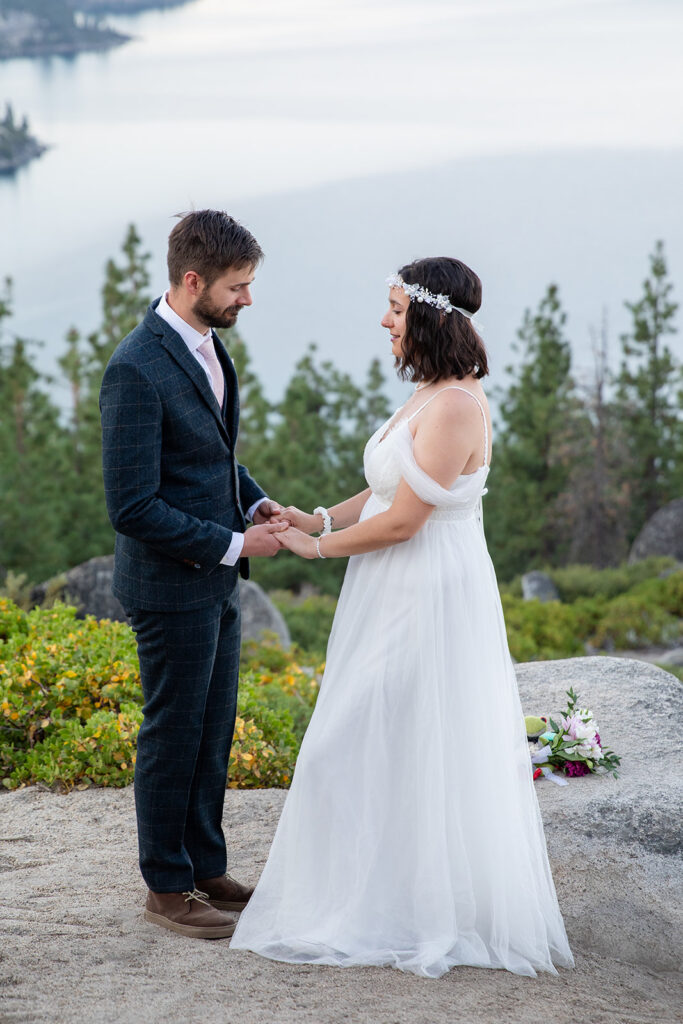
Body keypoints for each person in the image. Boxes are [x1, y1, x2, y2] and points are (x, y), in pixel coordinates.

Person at [230, 256, 575, 978]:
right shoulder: (428, 393)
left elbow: (403, 523)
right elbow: (384, 486)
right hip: (389, 590)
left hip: (426, 590)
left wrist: (312, 546)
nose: (384, 321)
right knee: (380, 740)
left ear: (427, 314)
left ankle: (400, 911)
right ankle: (377, 899)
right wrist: (313, 513)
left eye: (393, 307)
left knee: (364, 739)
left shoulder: (456, 406)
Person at [100, 210, 287, 940]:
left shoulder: (209, 346)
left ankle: (206, 866)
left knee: (212, 732)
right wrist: (238, 545)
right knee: (173, 733)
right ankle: (167, 888)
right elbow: (133, 505)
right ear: (190, 281)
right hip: (170, 586)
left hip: (215, 581)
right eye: (237, 287)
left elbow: (210, 456)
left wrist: (255, 500)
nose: (247, 299)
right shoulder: (135, 368)